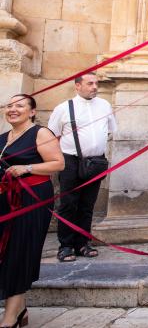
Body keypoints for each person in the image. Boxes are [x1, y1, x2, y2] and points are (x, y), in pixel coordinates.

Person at [0, 94, 64, 327]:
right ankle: (21, 309)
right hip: (6, 200)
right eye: (10, 105)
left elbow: (58, 163)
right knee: (7, 251)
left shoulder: (40, 133)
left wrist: (26, 167)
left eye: (19, 105)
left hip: (32, 200)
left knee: (20, 250)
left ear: (32, 111)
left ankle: (9, 318)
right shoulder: (3, 137)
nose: (13, 109)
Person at [49, 72, 117, 262]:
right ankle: (66, 246)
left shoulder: (104, 105)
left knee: (88, 205)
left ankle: (82, 243)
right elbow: (53, 135)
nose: (94, 87)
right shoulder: (63, 108)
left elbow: (110, 129)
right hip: (70, 161)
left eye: (96, 83)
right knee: (69, 204)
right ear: (77, 86)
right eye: (89, 83)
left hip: (96, 161)